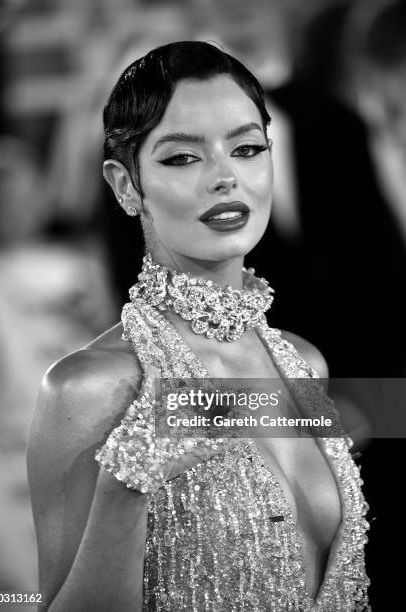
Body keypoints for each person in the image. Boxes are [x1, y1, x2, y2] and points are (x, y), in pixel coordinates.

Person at [27, 42, 370, 611]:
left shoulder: (305, 363)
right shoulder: (89, 388)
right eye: (183, 157)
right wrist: (124, 488)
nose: (225, 177)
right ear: (125, 185)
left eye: (247, 148)